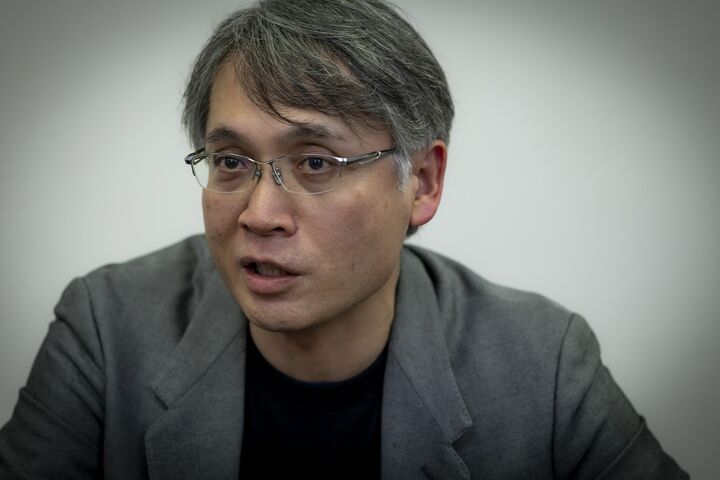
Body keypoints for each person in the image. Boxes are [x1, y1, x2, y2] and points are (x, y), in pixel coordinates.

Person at [0, 0, 688, 478]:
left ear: (422, 181)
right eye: (232, 162)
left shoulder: (542, 363)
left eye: (316, 163)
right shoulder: (106, 327)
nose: (260, 214)